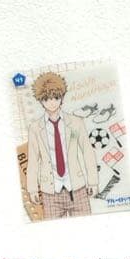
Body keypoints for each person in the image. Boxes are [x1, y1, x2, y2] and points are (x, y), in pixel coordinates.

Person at [24, 72, 98, 219]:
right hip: (50, 193)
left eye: (56, 97)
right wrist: (32, 189)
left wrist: (93, 181)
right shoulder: (35, 128)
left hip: (77, 188)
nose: (52, 102)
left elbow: (87, 151)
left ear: (62, 97)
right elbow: (33, 160)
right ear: (40, 100)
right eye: (47, 99)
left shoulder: (76, 122)